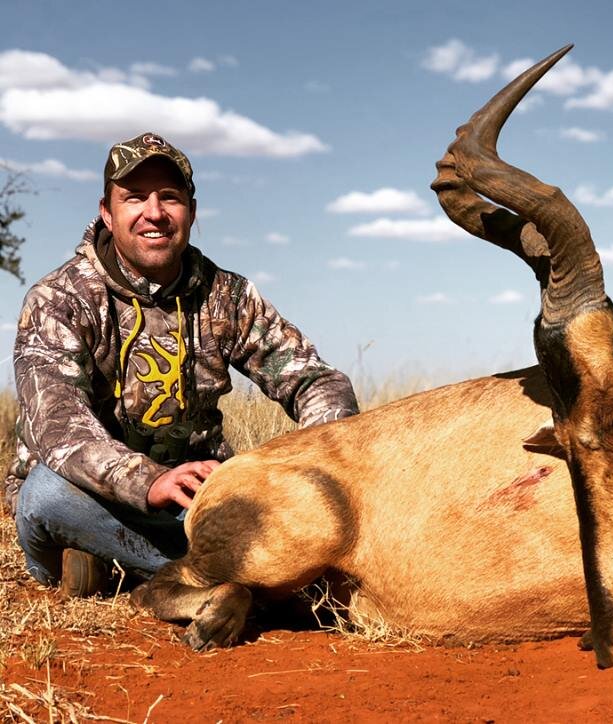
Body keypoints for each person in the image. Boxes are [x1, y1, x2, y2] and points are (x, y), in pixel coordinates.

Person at [5, 132, 359, 597]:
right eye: (134, 198)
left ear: (191, 212)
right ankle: (235, 575)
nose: (154, 212)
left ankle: (139, 564)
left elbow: (315, 380)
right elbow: (59, 426)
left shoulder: (226, 295)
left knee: (276, 498)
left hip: (196, 504)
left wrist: (316, 459)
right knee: (45, 494)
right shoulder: (58, 299)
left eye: (169, 197)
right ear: (106, 213)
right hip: (89, 493)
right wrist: (148, 481)